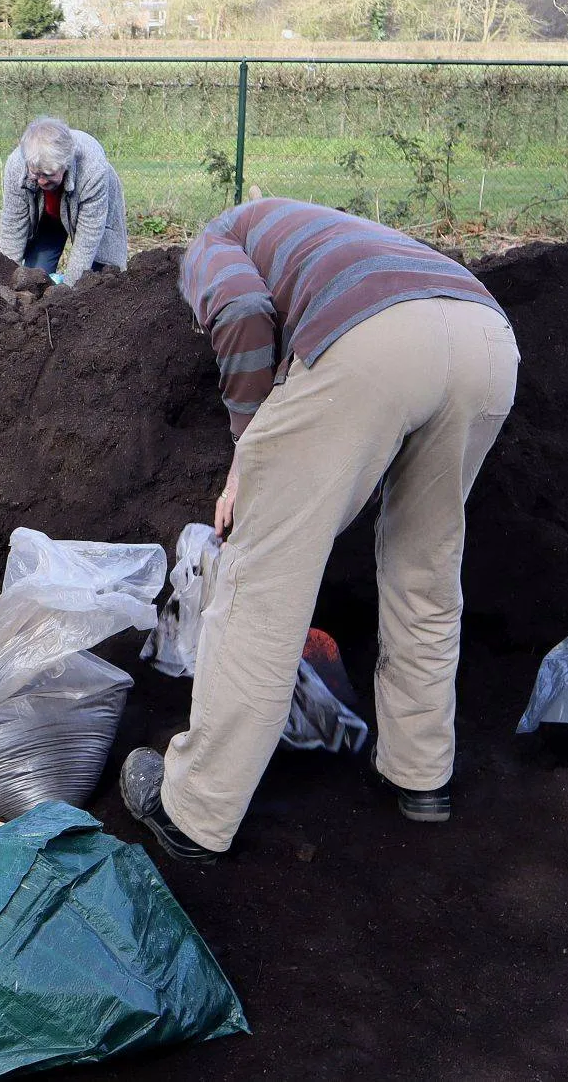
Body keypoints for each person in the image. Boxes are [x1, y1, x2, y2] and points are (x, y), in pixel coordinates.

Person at [117, 197, 519, 861]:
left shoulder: (209, 244)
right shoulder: (324, 232)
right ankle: (420, 774)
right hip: (486, 341)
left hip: (374, 343)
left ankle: (194, 810)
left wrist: (248, 453)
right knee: (426, 564)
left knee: (264, 575)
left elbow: (242, 310)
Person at [0, 117, 128, 285]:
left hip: (93, 215)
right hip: (47, 215)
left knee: (96, 282)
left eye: (49, 174)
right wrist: (6, 279)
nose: (42, 181)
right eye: (36, 174)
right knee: (33, 278)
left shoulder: (93, 171)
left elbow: (88, 237)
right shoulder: (17, 165)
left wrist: (67, 291)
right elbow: (13, 225)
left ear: (66, 164)